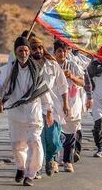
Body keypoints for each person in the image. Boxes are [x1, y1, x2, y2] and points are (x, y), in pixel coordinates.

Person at [0, 36, 52, 186]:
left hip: (33, 112)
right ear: (15, 51)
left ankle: (30, 174)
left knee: (35, 142)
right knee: (17, 145)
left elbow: (43, 91)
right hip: (15, 113)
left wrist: (49, 109)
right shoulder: (9, 69)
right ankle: (20, 167)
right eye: (20, 50)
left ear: (29, 52)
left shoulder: (37, 70)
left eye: (26, 50)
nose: (23, 53)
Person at [29, 37, 70, 177]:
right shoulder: (27, 66)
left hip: (53, 107)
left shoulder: (52, 65)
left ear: (43, 49)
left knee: (52, 138)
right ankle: (38, 166)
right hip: (34, 107)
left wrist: (66, 104)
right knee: (38, 139)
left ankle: (50, 158)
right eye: (34, 48)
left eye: (40, 48)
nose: (37, 51)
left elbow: (63, 85)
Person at [54, 40, 85, 172]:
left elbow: (83, 82)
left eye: (64, 51)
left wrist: (72, 76)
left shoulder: (73, 65)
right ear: (54, 52)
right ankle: (54, 161)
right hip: (55, 104)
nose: (62, 53)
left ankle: (67, 161)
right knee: (54, 133)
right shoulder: (51, 66)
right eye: (59, 51)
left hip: (72, 104)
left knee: (70, 134)